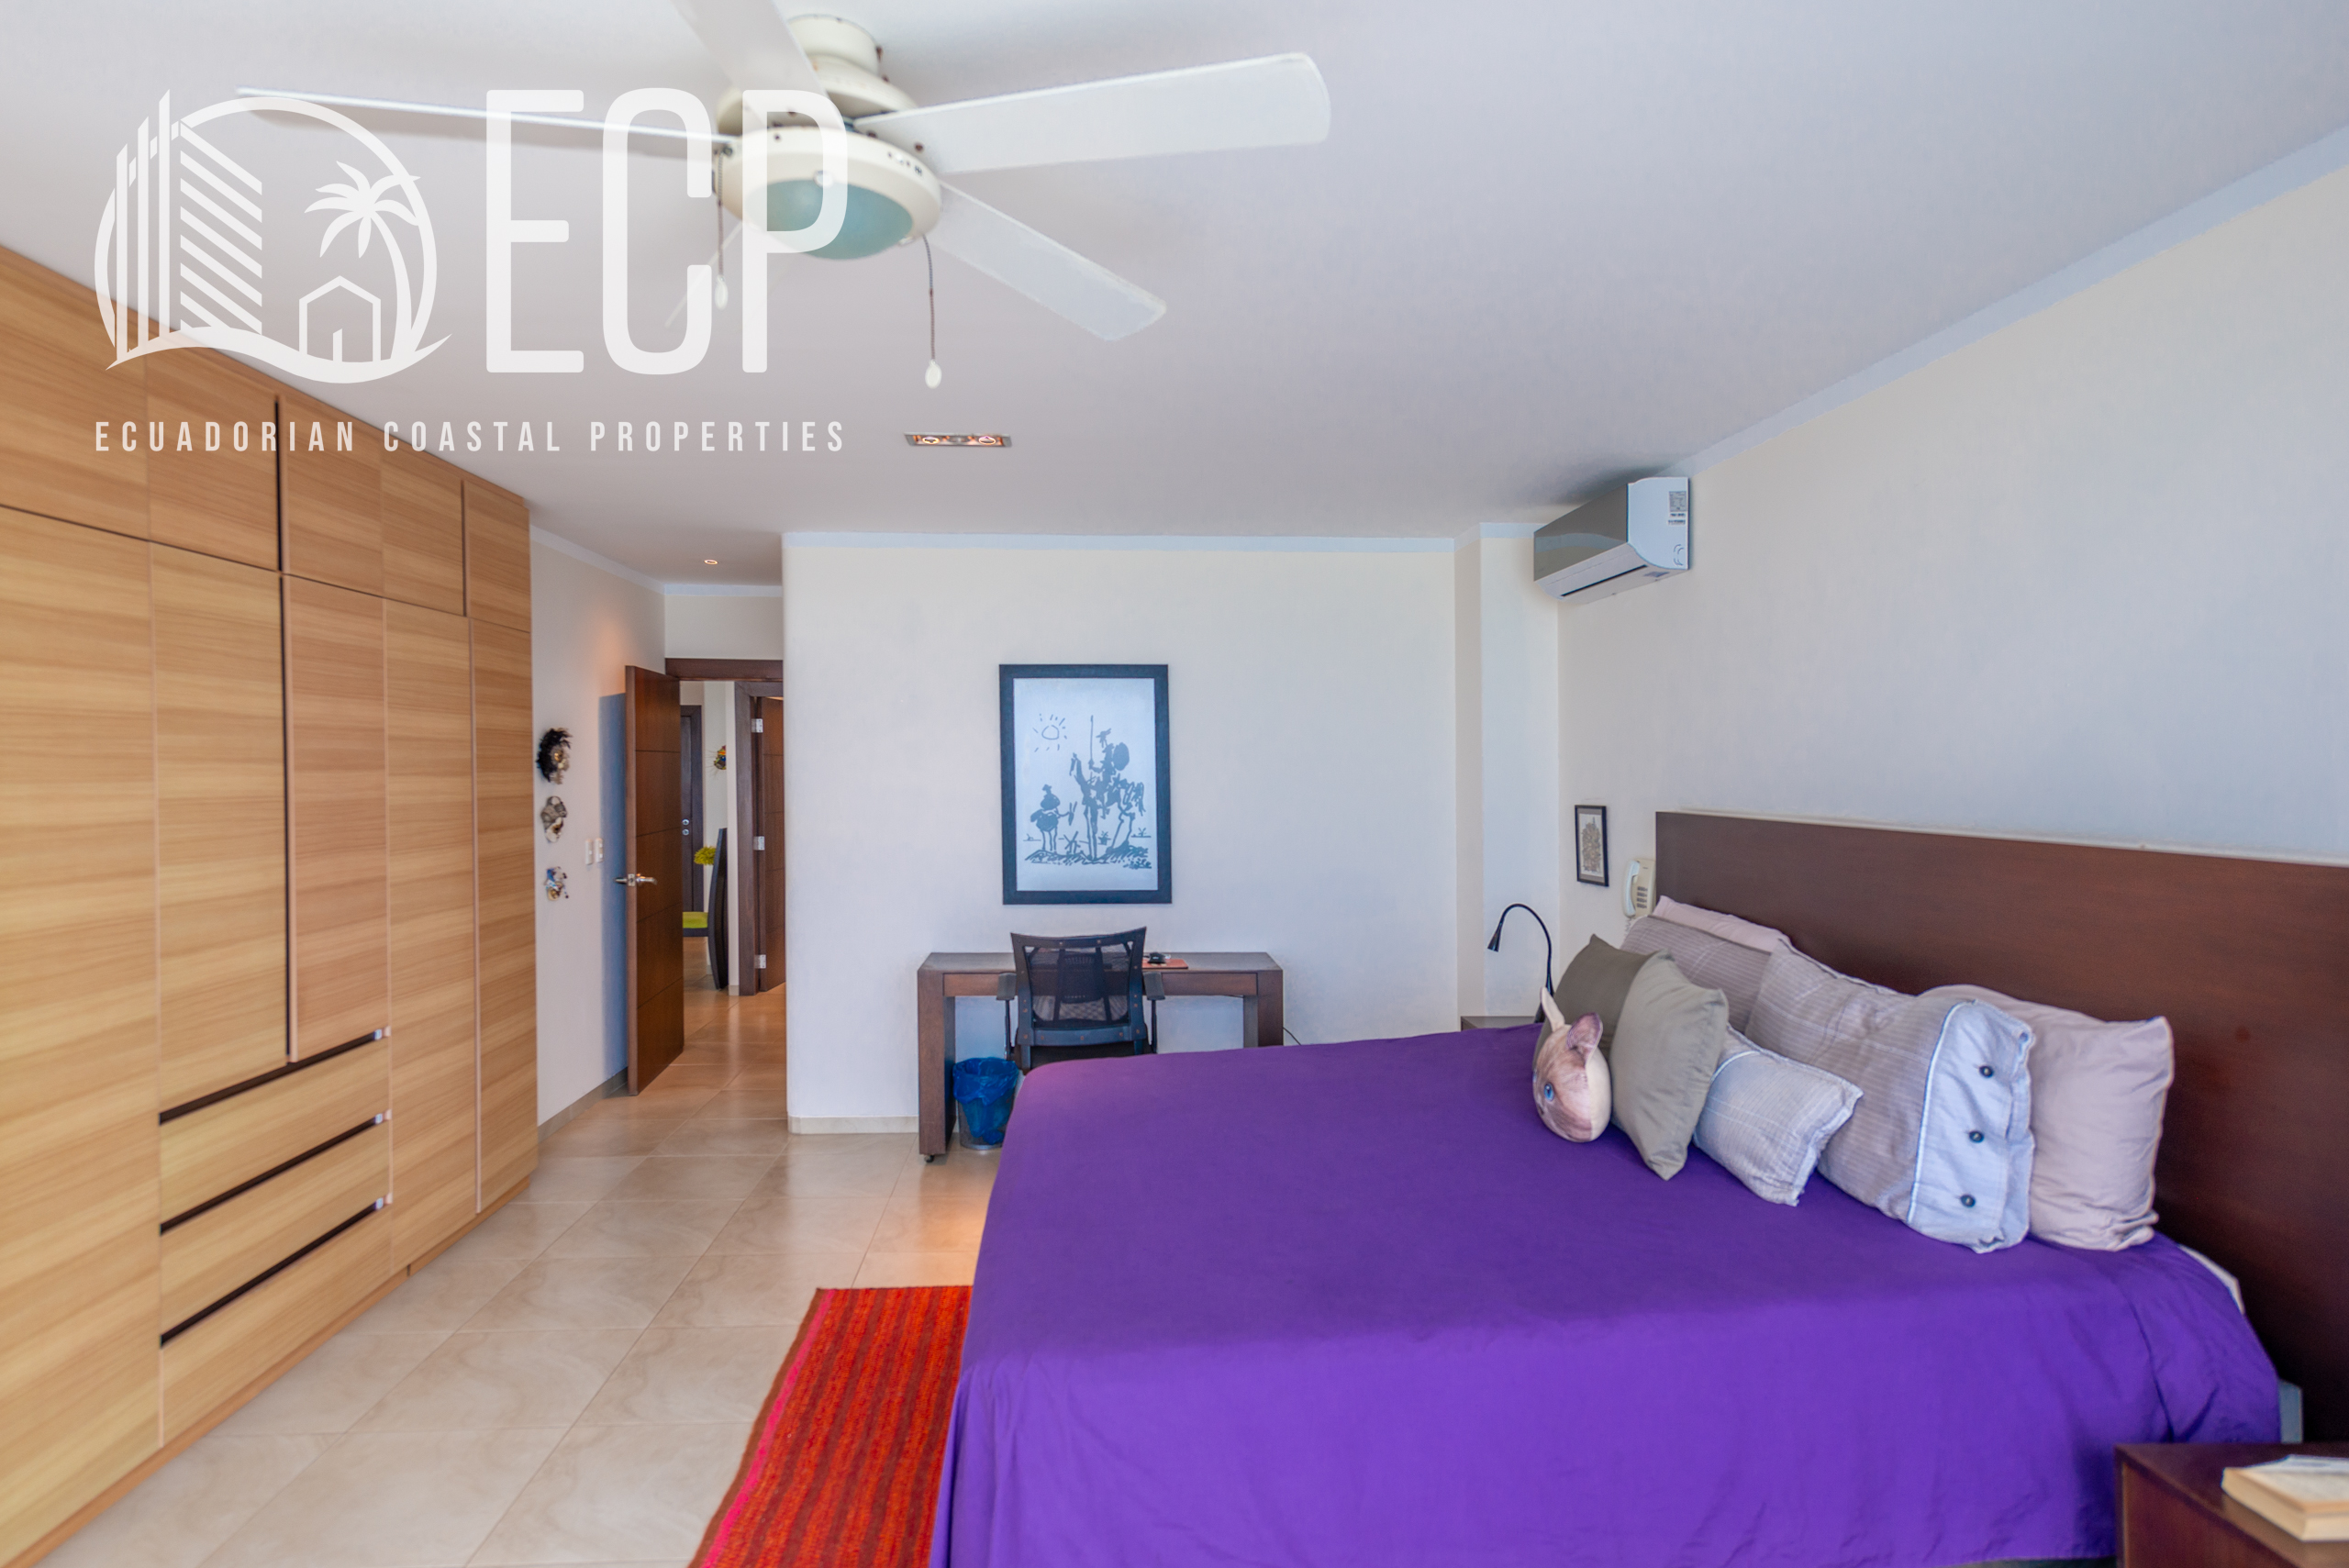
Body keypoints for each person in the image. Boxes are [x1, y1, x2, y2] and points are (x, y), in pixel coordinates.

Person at [1030, 784, 1063, 854]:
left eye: (1048, 789)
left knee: (1053, 835)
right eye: (1046, 789)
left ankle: (1053, 849)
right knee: (1046, 835)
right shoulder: (1045, 799)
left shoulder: (1054, 798)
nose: (1047, 791)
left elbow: (1057, 803)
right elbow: (1043, 805)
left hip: (1052, 818)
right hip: (1046, 819)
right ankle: (1046, 848)